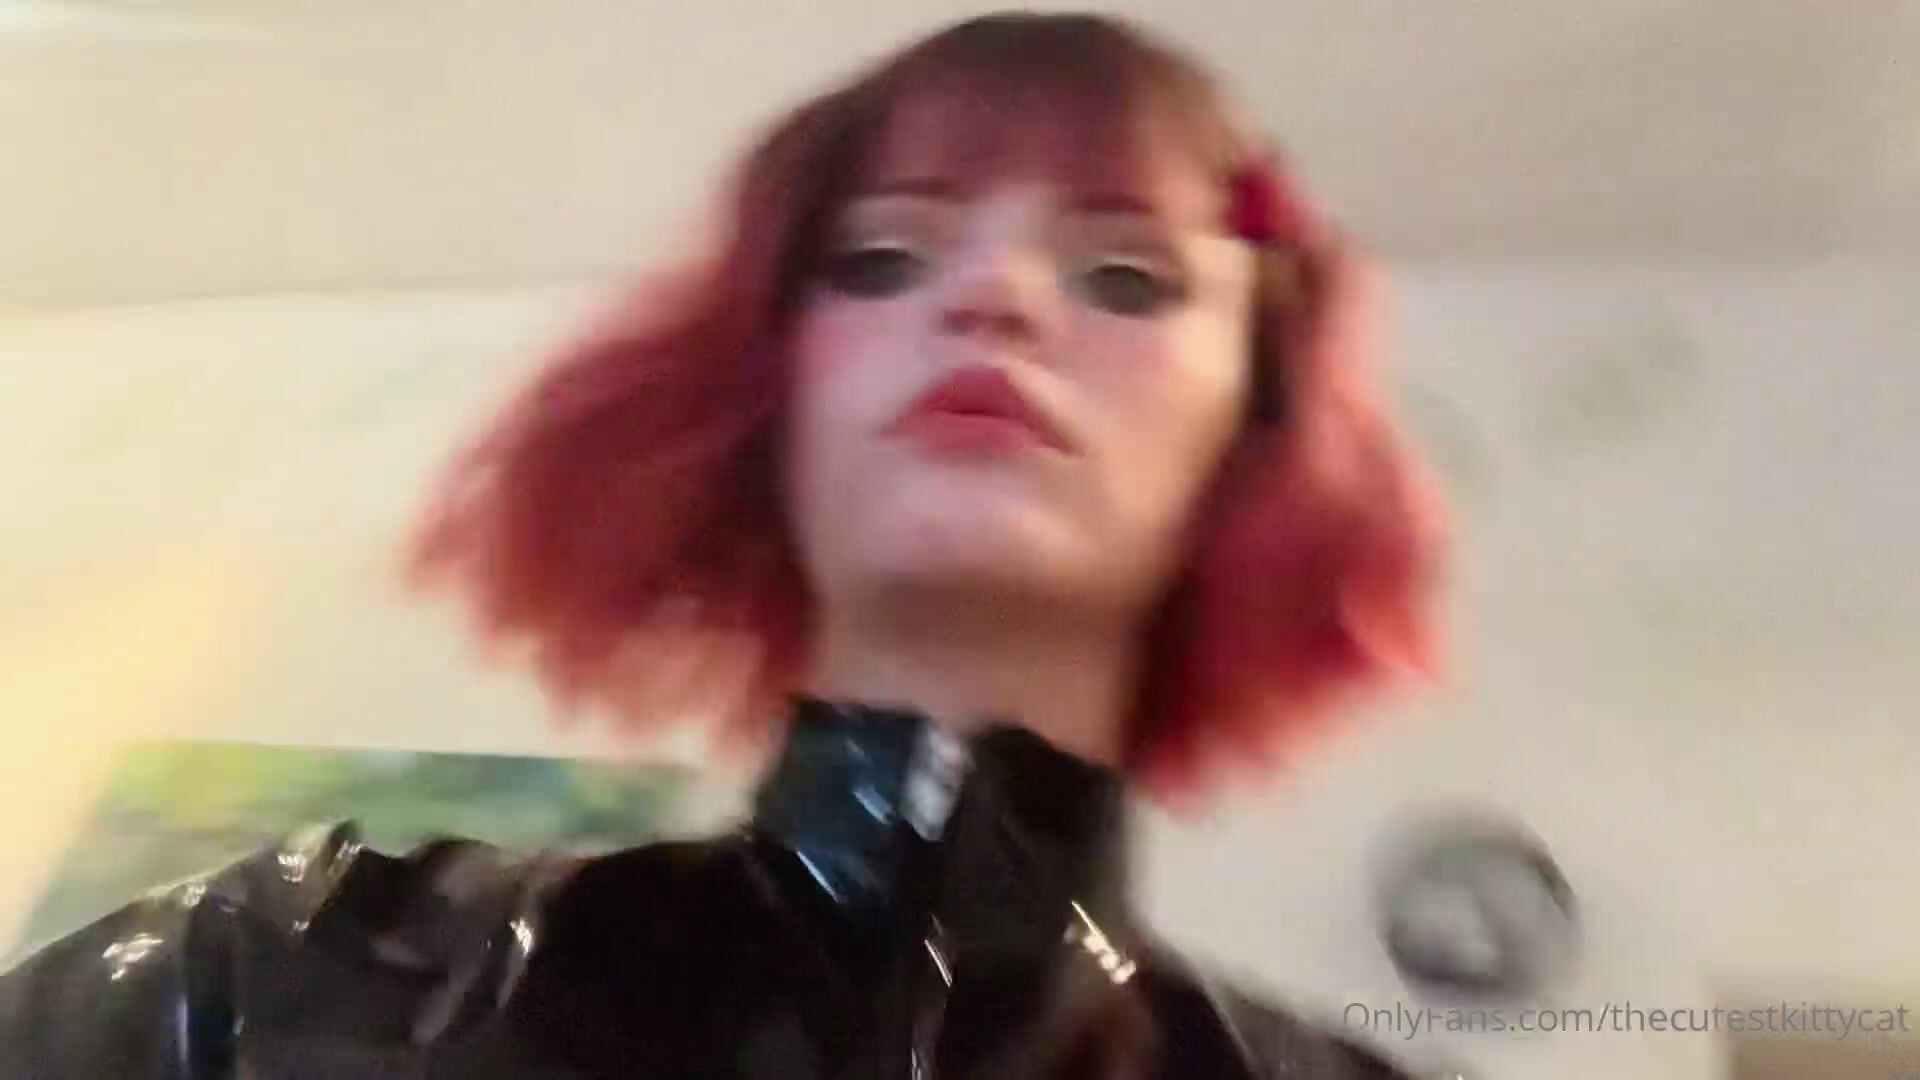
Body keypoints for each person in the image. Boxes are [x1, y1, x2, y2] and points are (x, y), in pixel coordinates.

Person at [0, 11, 1443, 1078]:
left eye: (1124, 276)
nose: (995, 295)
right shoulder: (270, 975)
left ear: (1255, 432)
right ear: (762, 392)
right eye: (881, 258)